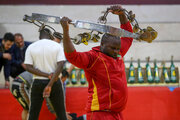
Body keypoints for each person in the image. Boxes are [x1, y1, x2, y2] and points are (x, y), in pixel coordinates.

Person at [60, 5, 133, 120]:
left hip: (117, 113)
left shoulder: (118, 53)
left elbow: (128, 36)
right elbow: (72, 56)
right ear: (102, 45)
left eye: (117, 49)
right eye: (113, 48)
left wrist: (121, 15)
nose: (116, 51)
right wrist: (65, 31)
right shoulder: (93, 58)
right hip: (99, 113)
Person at [24, 28, 67, 120]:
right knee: (61, 113)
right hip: (55, 82)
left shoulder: (31, 47)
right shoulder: (57, 46)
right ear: (51, 36)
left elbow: (28, 67)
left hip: (37, 82)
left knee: (33, 114)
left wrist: (46, 75)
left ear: (39, 37)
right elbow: (61, 65)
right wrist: (50, 84)